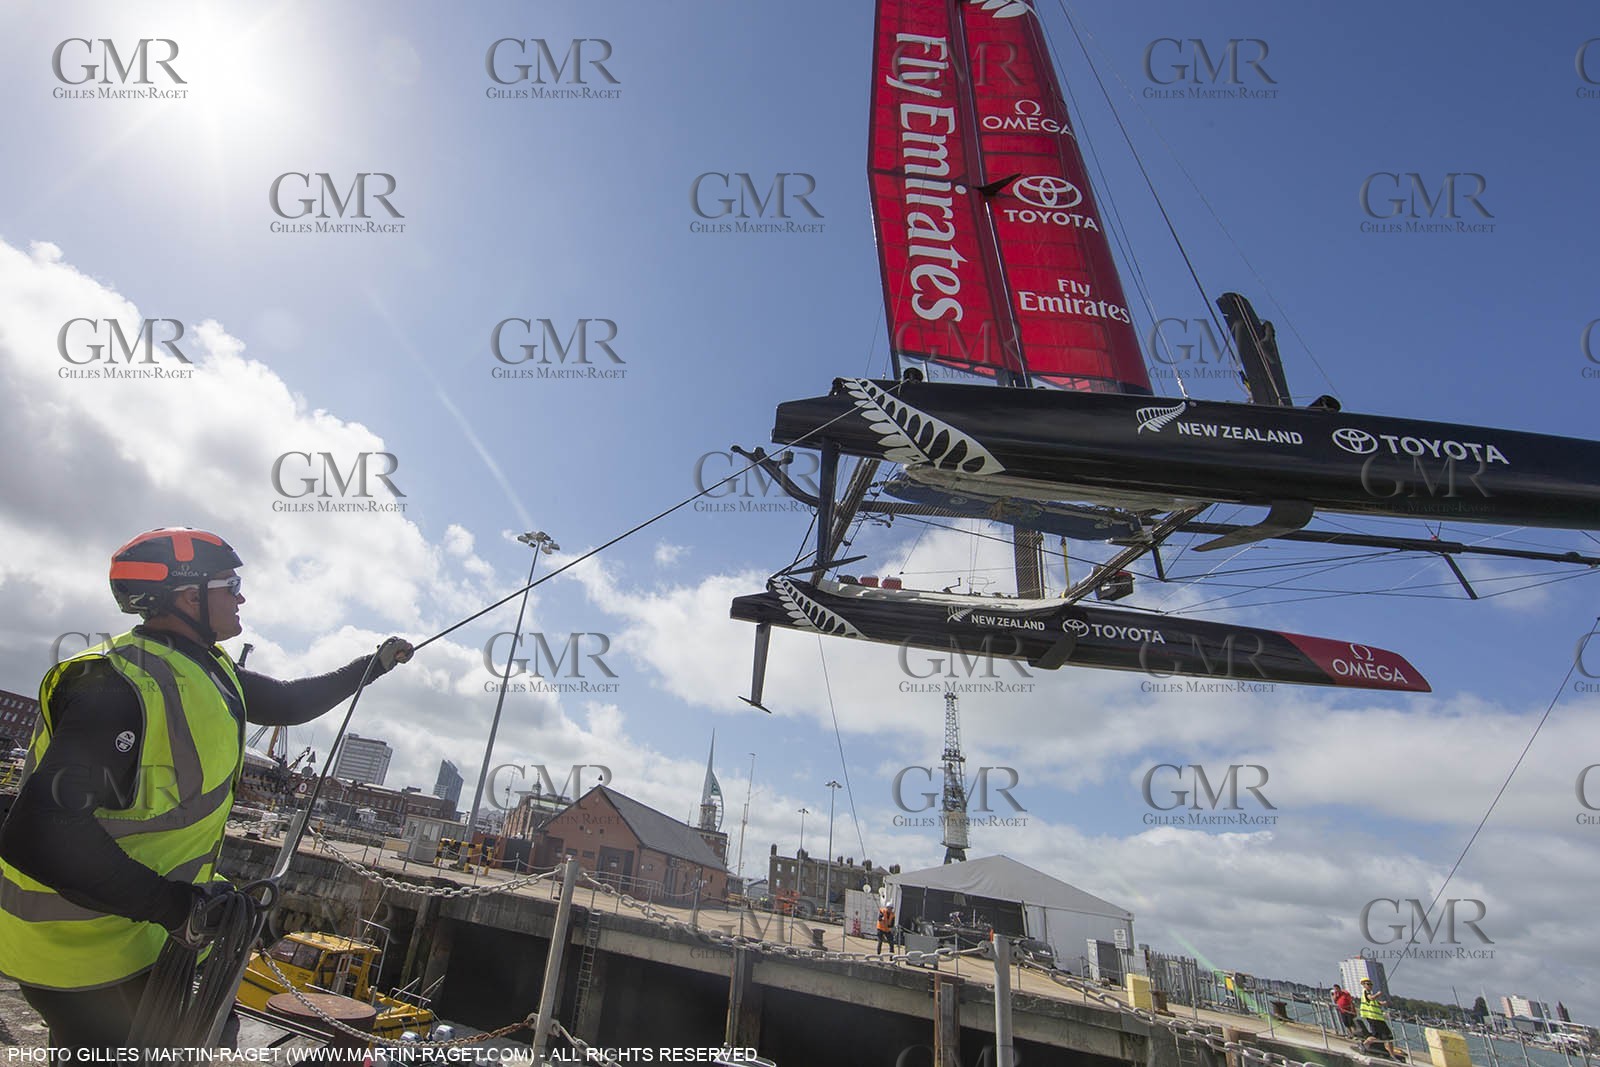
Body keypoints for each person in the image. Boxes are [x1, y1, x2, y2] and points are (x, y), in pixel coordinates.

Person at [0, 528, 414, 1050]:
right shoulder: (114, 684)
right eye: (231, 584)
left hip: (141, 935)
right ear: (188, 596)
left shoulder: (210, 669)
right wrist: (177, 907)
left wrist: (371, 665)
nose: (241, 596)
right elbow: (40, 834)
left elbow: (288, 704)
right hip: (80, 946)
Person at [1357, 977, 1405, 1060]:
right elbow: (1371, 998)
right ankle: (1364, 1044)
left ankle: (1391, 1055)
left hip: (1378, 1018)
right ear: (1364, 985)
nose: (1370, 986)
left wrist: (1382, 1003)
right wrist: (1378, 994)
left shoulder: (1369, 993)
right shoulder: (1366, 992)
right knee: (1384, 1036)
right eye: (1368, 984)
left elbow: (1374, 1002)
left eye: (1371, 984)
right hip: (1373, 1018)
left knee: (1385, 1037)